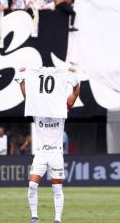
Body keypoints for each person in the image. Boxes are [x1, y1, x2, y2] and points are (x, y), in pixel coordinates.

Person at [17, 67, 80, 223]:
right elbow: (26, 96)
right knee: (32, 185)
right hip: (41, 153)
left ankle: (57, 219)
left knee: (57, 188)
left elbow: (75, 94)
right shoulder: (37, 109)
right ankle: (34, 218)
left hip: (56, 153)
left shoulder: (61, 107)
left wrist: (75, 78)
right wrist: (21, 79)